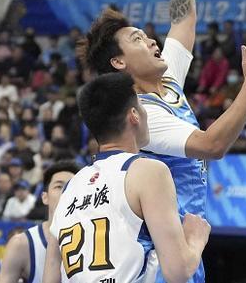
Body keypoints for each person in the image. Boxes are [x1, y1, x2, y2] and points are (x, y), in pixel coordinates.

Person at [77, 0, 246, 282]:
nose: (152, 41)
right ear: (119, 63)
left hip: (181, 246)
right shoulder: (141, 114)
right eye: (138, 40)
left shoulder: (167, 82)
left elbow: (184, 17)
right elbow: (212, 145)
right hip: (159, 258)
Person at [43, 73, 211, 283]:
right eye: (142, 106)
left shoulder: (70, 186)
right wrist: (195, 240)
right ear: (134, 115)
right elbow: (177, 272)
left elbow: (50, 277)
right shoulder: (148, 171)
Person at [0, 161, 80, 283]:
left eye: (71, 186)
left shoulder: (95, 238)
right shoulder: (21, 244)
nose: (65, 192)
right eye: (59, 186)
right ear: (45, 197)